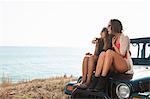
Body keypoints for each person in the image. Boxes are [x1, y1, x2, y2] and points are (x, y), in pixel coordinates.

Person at [90, 19, 133, 91]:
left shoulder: (124, 37)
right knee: (103, 53)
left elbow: (122, 54)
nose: (107, 28)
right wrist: (96, 42)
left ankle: (102, 81)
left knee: (109, 52)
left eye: (109, 26)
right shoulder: (113, 37)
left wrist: (114, 45)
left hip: (125, 65)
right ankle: (96, 79)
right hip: (115, 65)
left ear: (114, 26)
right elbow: (102, 39)